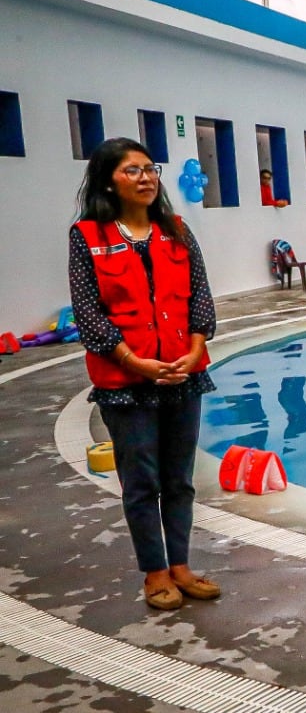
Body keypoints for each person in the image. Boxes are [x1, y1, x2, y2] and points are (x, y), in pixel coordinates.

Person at [68, 138, 220, 611]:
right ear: (108, 180)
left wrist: (194, 352)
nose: (146, 178)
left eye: (150, 169)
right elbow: (87, 312)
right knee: (141, 482)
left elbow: (201, 298)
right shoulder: (87, 235)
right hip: (125, 382)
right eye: (132, 171)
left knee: (180, 479)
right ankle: (154, 572)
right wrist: (134, 361)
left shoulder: (176, 230)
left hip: (183, 373)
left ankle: (180, 566)